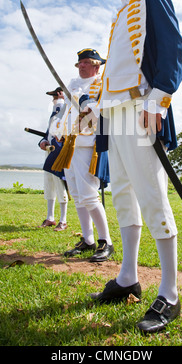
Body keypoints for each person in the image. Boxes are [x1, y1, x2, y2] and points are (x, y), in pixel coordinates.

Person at [89, 0, 182, 334]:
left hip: (141, 107)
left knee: (151, 195)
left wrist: (158, 101)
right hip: (115, 113)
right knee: (123, 195)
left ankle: (170, 293)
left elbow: (173, 48)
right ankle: (128, 277)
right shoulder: (119, 15)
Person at [50, 48, 114, 262]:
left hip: (87, 143)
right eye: (80, 63)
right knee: (77, 195)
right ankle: (88, 240)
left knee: (89, 195)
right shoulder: (72, 84)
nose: (82, 66)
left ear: (97, 65)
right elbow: (65, 111)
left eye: (86, 62)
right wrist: (57, 132)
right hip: (69, 143)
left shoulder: (102, 83)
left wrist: (90, 108)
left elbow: (102, 109)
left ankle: (106, 241)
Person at [38, 87, 69, 231]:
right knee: (49, 183)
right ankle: (50, 217)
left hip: (59, 152)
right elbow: (48, 132)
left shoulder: (66, 111)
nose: (54, 99)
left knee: (59, 184)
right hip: (49, 151)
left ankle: (63, 220)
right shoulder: (54, 113)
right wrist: (42, 142)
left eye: (55, 96)